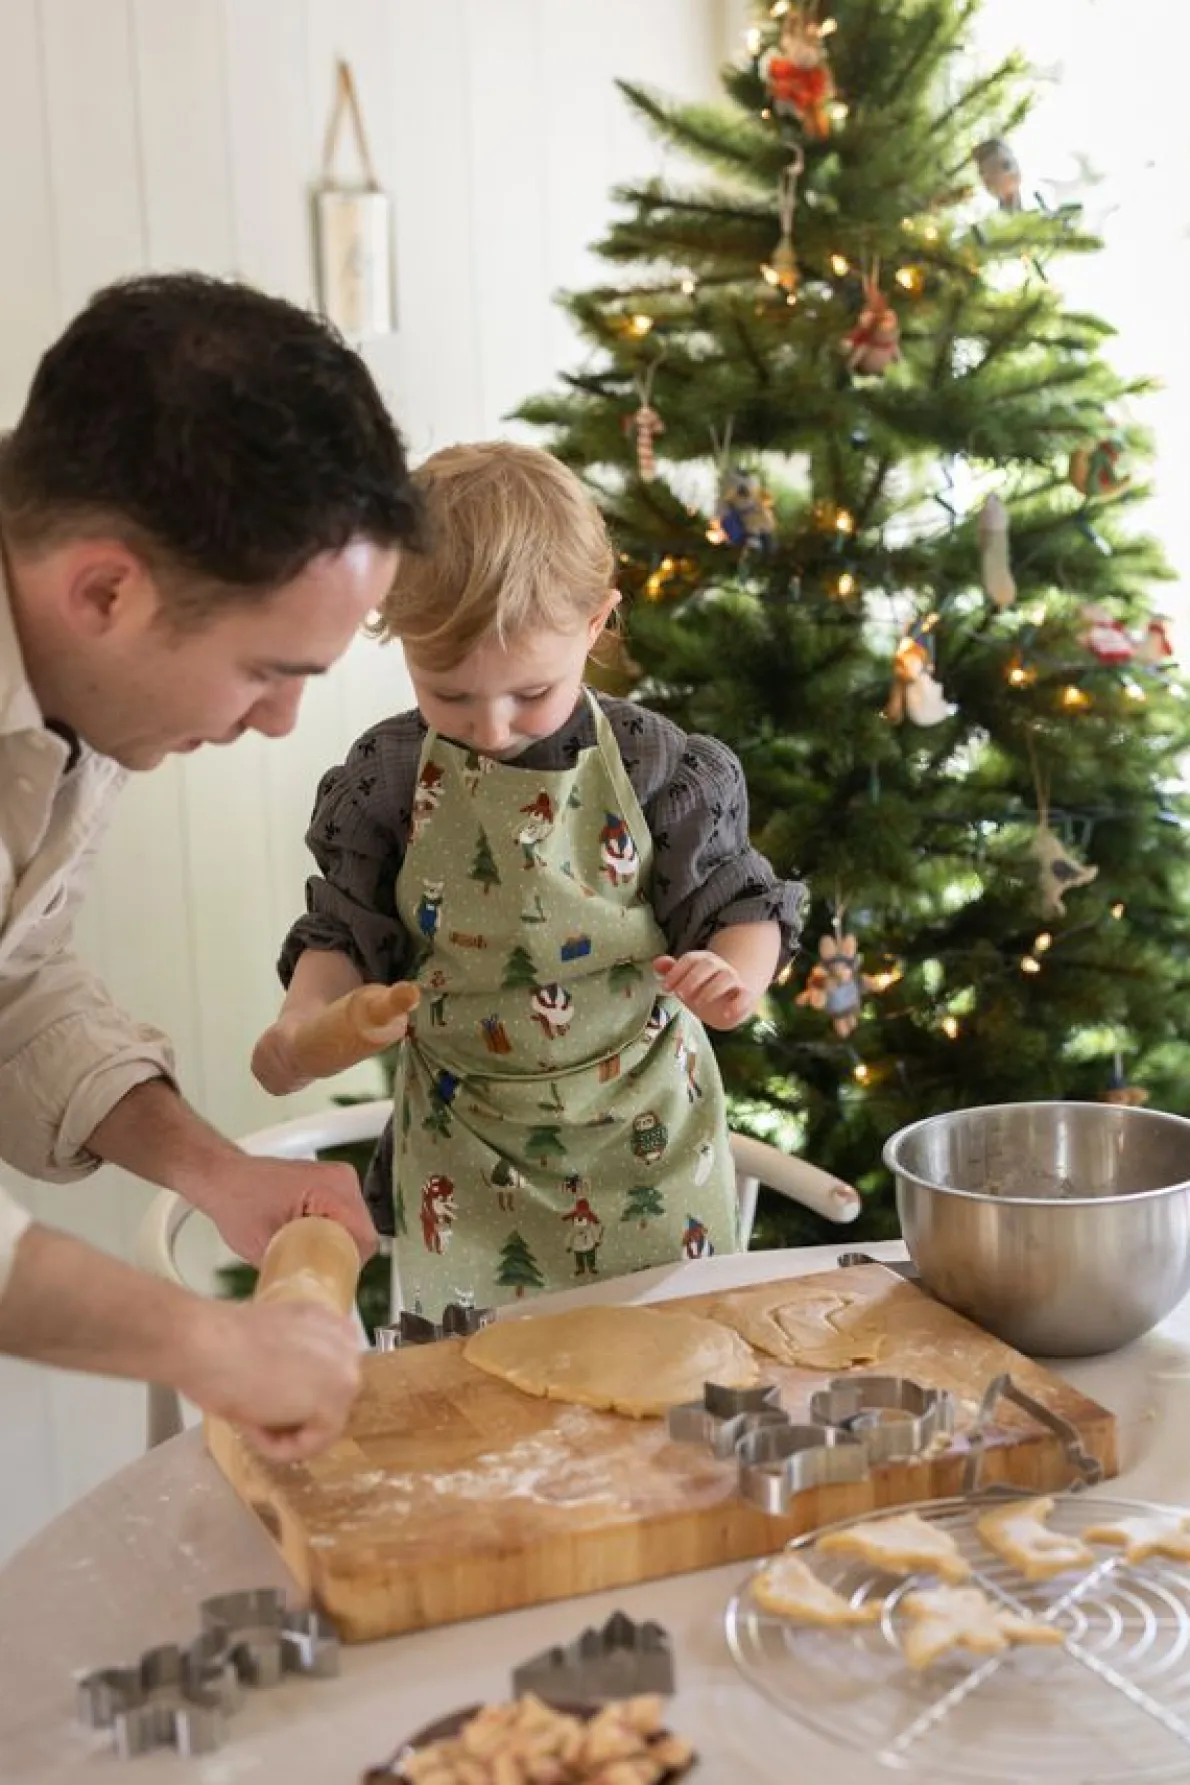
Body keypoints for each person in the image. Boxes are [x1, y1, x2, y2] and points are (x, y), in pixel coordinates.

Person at [0, 273, 421, 1460]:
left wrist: (216, 1172)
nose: (281, 723)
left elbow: (12, 978)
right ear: (106, 589)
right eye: (264, 672)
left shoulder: (78, 673)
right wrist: (211, 1347)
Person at [254, 441, 806, 1317]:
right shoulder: (390, 777)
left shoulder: (658, 766)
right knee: (478, 1405)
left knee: (663, 1380)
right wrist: (307, 1023)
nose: (492, 726)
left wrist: (735, 974)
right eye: (450, 694)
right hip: (465, 1150)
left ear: (596, 622)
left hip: (648, 1140)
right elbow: (343, 934)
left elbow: (743, 905)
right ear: (397, 637)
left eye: (529, 692)